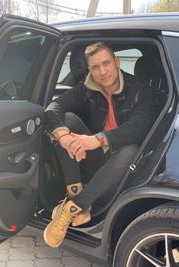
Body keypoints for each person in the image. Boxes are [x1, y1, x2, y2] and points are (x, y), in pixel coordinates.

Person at [43, 42, 156, 248]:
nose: (102, 71)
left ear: (117, 61)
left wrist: (97, 139)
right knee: (67, 119)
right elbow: (53, 109)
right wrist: (64, 137)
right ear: (89, 69)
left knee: (130, 149)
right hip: (94, 160)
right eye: (95, 67)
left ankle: (73, 207)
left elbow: (139, 127)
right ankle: (75, 192)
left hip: (125, 167)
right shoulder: (86, 88)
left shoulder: (140, 90)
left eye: (106, 63)